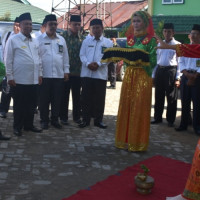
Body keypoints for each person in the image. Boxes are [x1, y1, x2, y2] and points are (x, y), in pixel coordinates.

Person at [115, 11, 157, 151]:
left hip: (142, 77)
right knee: (127, 105)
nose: (136, 24)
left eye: (138, 21)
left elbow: (152, 61)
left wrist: (140, 60)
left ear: (144, 22)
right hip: (129, 76)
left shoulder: (150, 40)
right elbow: (126, 58)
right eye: (134, 21)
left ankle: (137, 142)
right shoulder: (130, 40)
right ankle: (124, 140)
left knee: (139, 107)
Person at [5, 12, 42, 136]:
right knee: (19, 105)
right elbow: (8, 60)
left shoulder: (35, 41)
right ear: (20, 25)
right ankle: (17, 127)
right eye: (26, 24)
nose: (28, 26)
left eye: (30, 24)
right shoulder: (13, 39)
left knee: (31, 105)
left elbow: (39, 59)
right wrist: (10, 76)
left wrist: (40, 74)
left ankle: (29, 125)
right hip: (19, 79)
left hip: (33, 79)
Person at [79, 18, 113, 128]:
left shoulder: (108, 43)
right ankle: (85, 120)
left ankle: (98, 121)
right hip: (87, 74)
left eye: (98, 27)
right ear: (90, 29)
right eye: (93, 28)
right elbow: (82, 55)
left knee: (99, 99)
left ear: (102, 28)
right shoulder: (86, 41)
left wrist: (98, 64)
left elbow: (109, 58)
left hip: (100, 75)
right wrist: (88, 63)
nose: (96, 30)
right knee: (85, 98)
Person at [38, 14, 69, 130]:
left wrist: (66, 71)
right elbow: (38, 58)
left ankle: (55, 120)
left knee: (57, 99)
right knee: (44, 100)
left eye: (55, 24)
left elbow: (65, 57)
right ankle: (44, 120)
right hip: (44, 75)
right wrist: (39, 74)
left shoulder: (61, 40)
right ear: (45, 25)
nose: (53, 26)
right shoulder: (39, 40)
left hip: (58, 75)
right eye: (51, 24)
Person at [151, 23, 181, 127]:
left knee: (171, 96)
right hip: (160, 70)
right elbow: (156, 61)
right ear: (163, 32)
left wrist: (178, 77)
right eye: (165, 31)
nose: (167, 33)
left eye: (169, 31)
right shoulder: (159, 44)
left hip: (171, 71)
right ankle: (157, 118)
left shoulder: (177, 45)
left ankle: (170, 120)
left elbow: (179, 62)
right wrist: (153, 75)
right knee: (158, 95)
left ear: (173, 32)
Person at [174, 24, 200, 135]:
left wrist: (195, 75)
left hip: (198, 77)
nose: (193, 36)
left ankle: (197, 126)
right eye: (192, 33)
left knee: (197, 103)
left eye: (196, 34)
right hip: (185, 76)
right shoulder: (185, 48)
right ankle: (183, 124)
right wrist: (186, 74)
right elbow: (181, 61)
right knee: (184, 102)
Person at [59, 15, 84, 125]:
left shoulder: (83, 38)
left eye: (79, 24)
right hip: (65, 72)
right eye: (75, 24)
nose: (77, 26)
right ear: (70, 24)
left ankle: (77, 117)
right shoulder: (62, 37)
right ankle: (63, 117)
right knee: (64, 95)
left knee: (77, 96)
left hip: (78, 72)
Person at [0, 17, 20, 118]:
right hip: (8, 68)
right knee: (6, 91)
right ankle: (3, 110)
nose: (17, 27)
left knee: (19, 92)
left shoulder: (25, 38)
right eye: (15, 25)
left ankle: (20, 112)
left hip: (19, 70)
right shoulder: (8, 35)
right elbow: (3, 50)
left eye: (19, 25)